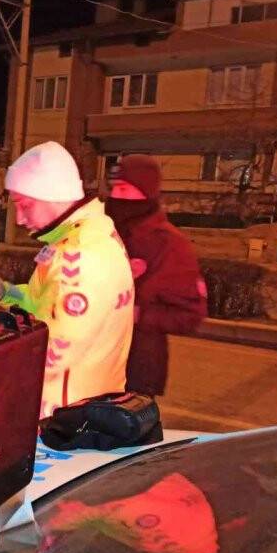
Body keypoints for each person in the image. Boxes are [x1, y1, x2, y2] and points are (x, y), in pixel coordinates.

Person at [0, 141, 134, 418]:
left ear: (52, 195)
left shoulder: (81, 257)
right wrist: (6, 293)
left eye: (25, 205)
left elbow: (52, 353)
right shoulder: (77, 240)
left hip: (63, 417)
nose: (19, 218)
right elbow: (45, 307)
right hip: (79, 407)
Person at [103, 155, 207, 396]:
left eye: (127, 190)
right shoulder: (101, 232)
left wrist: (138, 313)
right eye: (117, 188)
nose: (119, 197)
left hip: (135, 369)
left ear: (147, 194)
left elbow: (190, 315)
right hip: (89, 361)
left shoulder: (169, 245)